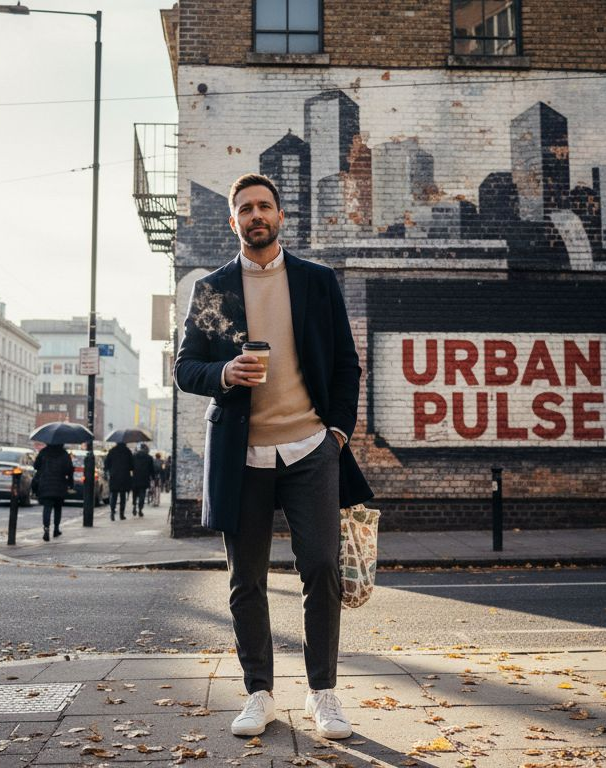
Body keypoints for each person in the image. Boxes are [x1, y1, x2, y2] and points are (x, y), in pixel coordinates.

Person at [174, 173, 372, 741]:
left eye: (264, 206)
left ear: (280, 216)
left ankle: (323, 694)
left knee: (322, 573)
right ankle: (258, 692)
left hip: (312, 450)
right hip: (243, 456)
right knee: (246, 582)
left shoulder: (315, 281)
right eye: (245, 208)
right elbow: (187, 369)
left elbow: (345, 364)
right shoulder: (214, 291)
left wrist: (336, 433)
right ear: (232, 221)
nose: (255, 215)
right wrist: (224, 373)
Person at [31, 443, 73, 542]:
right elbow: (68, 470)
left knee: (47, 507)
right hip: (59, 484)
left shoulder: (43, 452)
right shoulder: (64, 454)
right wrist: (70, 484)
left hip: (45, 483)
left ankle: (46, 529)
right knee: (58, 508)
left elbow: (36, 466)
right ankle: (56, 529)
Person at [104, 441, 133, 521]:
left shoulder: (112, 451)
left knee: (114, 495)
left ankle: (112, 512)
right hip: (124, 476)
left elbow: (106, 464)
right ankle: (121, 514)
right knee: (123, 496)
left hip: (114, 476)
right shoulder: (127, 451)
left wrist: (109, 470)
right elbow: (132, 465)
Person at [130, 443, 155, 516]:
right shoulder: (149, 457)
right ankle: (140, 509)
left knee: (134, 493)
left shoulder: (134, 456)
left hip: (135, 478)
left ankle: (134, 505)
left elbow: (131, 467)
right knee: (142, 494)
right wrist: (153, 478)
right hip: (144, 478)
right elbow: (151, 469)